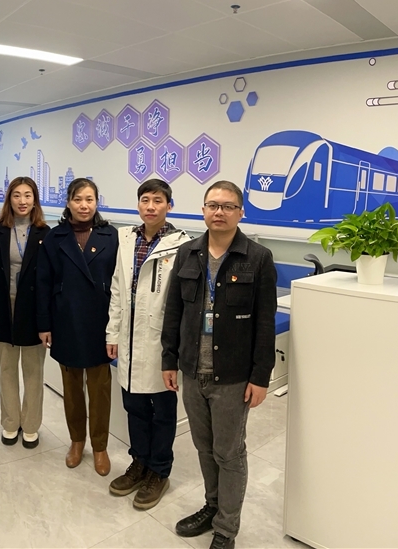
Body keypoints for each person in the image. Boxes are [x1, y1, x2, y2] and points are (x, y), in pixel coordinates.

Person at [161, 180, 277, 549]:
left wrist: (261, 376)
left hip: (233, 376)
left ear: (240, 212)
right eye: (213, 205)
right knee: (204, 447)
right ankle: (212, 507)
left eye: (228, 206)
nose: (219, 212)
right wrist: (169, 359)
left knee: (229, 453)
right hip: (193, 371)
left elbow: (265, 322)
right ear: (203, 210)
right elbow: (174, 311)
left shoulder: (258, 257)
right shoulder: (188, 253)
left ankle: (226, 530)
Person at [105, 179, 190, 510]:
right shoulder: (127, 239)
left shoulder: (182, 245)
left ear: (169, 205)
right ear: (138, 204)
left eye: (158, 200)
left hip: (160, 342)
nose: (151, 206)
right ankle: (139, 462)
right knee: (134, 407)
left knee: (162, 412)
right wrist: (112, 333)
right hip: (128, 338)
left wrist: (176, 351)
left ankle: (159, 471)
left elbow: (182, 303)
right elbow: (117, 289)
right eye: (145, 200)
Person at [36, 178, 119, 476]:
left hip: (99, 322)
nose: (84, 205)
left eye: (89, 199)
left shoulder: (111, 236)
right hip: (65, 320)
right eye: (78, 199)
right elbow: (42, 283)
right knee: (71, 390)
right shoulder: (54, 237)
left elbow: (119, 285)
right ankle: (76, 441)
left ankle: (100, 446)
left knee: (100, 391)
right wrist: (44, 324)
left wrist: (116, 328)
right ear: (68, 202)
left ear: (97, 202)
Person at [0, 177, 50, 448]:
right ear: (9, 199)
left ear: (35, 200)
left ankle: (30, 426)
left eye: (28, 195)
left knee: (33, 370)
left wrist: (48, 319)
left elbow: (51, 279)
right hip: (2, 305)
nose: (22, 201)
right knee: (6, 368)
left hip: (33, 308)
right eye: (17, 195)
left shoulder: (46, 233)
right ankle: (10, 422)